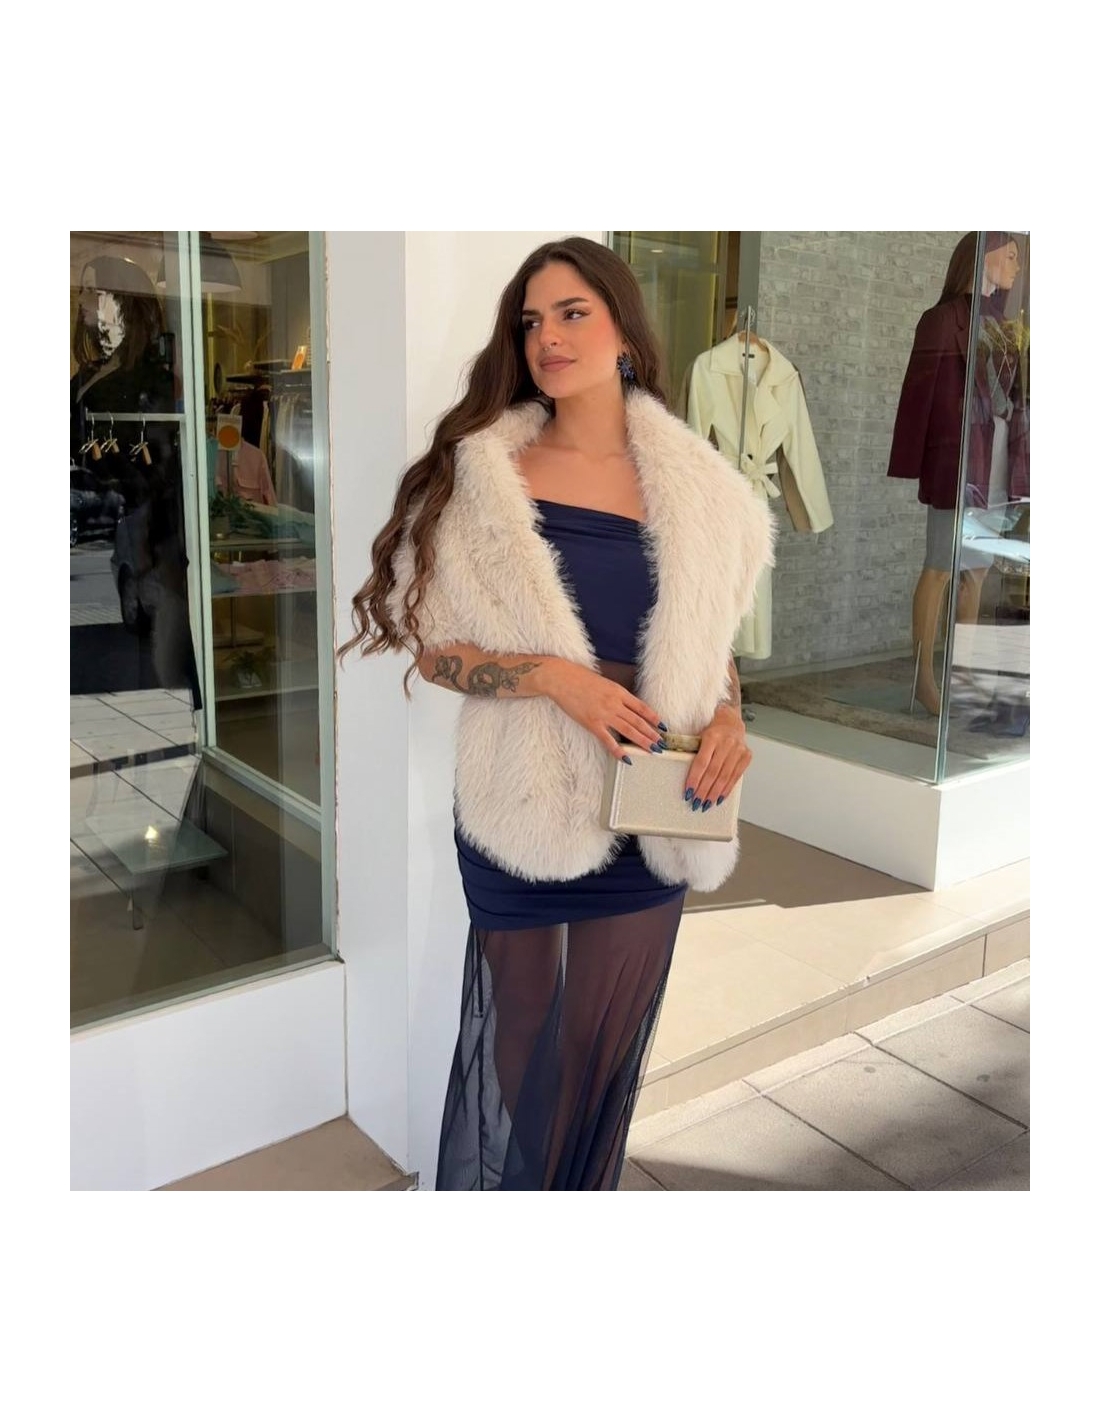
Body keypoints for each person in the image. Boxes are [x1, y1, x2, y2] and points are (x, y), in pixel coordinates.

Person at [340, 237, 774, 1190]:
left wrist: (730, 721)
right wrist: (552, 679)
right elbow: (437, 653)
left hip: (654, 805)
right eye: (532, 321)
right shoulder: (481, 478)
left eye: (573, 313)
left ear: (624, 329)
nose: (548, 337)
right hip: (522, 801)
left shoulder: (704, 490)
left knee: (599, 1053)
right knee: (521, 1038)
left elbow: (712, 646)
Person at [887, 232, 1028, 715]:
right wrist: (915, 461)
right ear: (984, 256)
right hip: (959, 463)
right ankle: (923, 679)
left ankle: (964, 677)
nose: (1017, 266)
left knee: (978, 573)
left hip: (998, 463)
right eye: (1011, 255)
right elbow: (919, 395)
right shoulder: (943, 320)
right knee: (941, 567)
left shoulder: (1006, 327)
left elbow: (1015, 398)